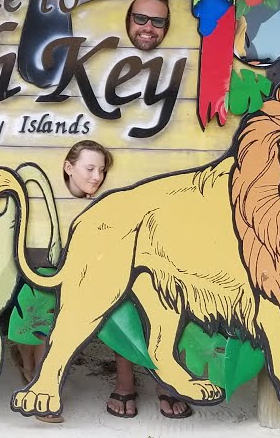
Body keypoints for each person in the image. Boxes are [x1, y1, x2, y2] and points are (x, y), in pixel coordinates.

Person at [11, 140, 194, 421]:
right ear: (68, 167)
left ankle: (149, 378)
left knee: (137, 294)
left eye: (102, 170)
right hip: (54, 267)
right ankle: (38, 377)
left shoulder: (112, 199)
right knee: (42, 299)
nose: (97, 177)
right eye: (90, 169)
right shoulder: (49, 200)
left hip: (104, 269)